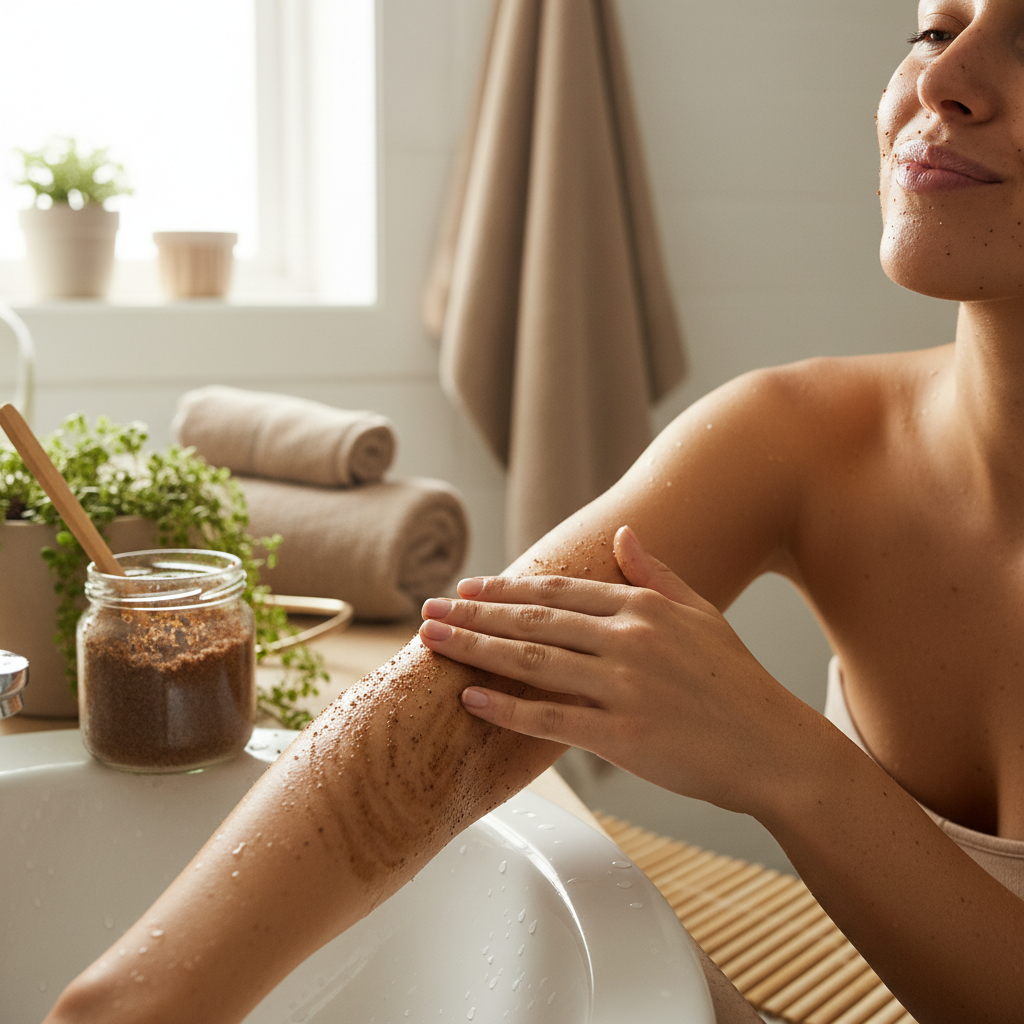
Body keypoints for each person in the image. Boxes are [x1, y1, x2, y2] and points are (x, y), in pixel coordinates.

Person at [46, 2, 1022, 1022]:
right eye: (932, 27)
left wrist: (793, 767)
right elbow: (475, 681)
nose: (942, 79)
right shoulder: (801, 435)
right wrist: (140, 994)